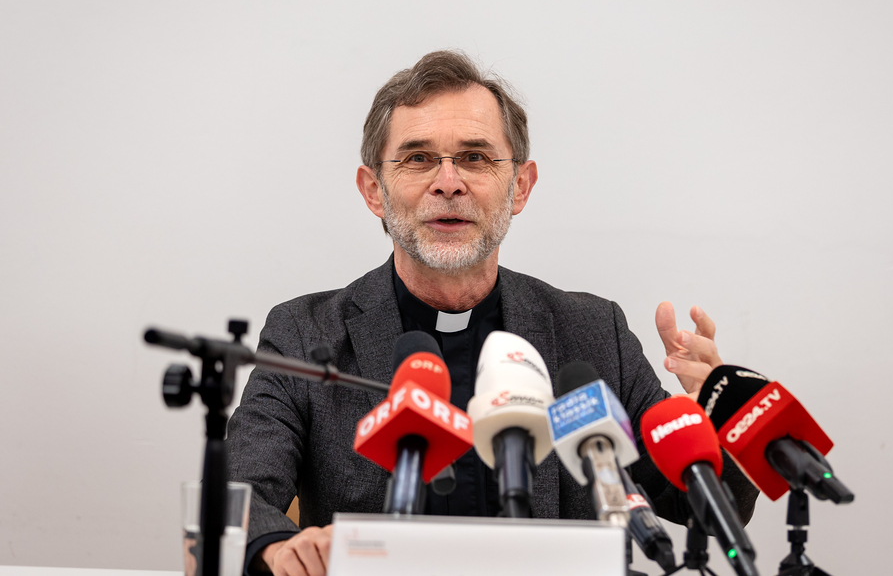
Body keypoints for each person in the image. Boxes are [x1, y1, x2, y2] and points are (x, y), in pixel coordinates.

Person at [226, 50, 758, 576]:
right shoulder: (304, 334)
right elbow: (237, 494)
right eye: (418, 158)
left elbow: (714, 507)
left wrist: (720, 414)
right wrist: (276, 549)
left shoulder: (594, 333)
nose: (448, 182)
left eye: (476, 158)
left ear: (520, 186)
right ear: (374, 192)